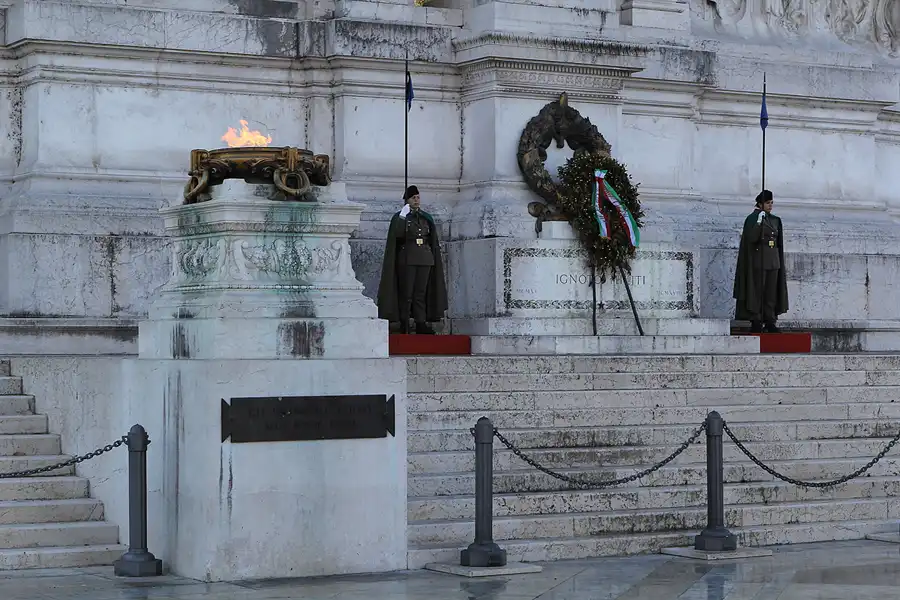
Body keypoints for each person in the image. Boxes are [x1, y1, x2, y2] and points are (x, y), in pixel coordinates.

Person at [377, 185, 448, 334]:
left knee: (420, 293)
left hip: (425, 259)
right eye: (413, 198)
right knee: (407, 292)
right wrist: (403, 217)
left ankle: (420, 321)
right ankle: (404, 322)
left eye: (418, 197)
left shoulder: (426, 217)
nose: (416, 200)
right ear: (407, 200)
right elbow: (398, 234)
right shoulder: (401, 217)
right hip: (407, 258)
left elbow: (431, 238)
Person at [733, 189, 789, 333]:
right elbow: (752, 238)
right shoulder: (752, 219)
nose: (770, 205)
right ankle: (756, 320)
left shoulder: (775, 220)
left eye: (771, 203)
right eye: (767, 203)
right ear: (760, 204)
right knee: (757, 292)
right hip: (759, 261)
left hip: (773, 261)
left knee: (771, 294)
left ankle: (770, 320)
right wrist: (759, 222)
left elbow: (778, 242)